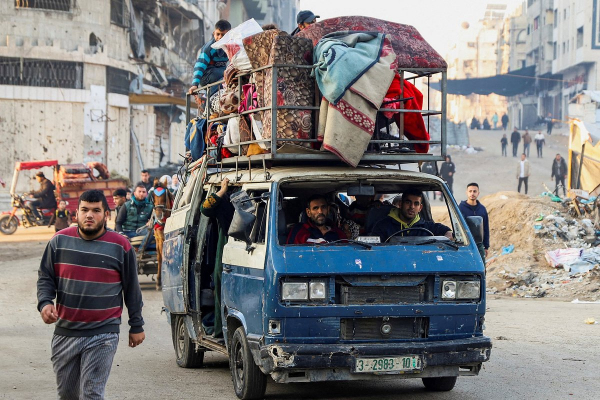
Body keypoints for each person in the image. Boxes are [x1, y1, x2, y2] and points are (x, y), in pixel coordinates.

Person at [37, 189, 145, 400]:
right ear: (75, 213)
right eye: (84, 210)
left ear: (106, 215)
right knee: (67, 395)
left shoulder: (120, 246)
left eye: (96, 210)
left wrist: (137, 325)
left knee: (92, 394)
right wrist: (45, 303)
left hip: (103, 332)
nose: (89, 215)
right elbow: (45, 277)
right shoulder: (58, 242)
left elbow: (132, 288)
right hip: (65, 332)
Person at [200, 177, 235, 338]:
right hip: (226, 249)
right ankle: (220, 330)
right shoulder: (224, 200)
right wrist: (222, 191)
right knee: (221, 291)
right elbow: (205, 209)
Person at [371, 189, 452, 242]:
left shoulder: (428, 227)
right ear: (400, 204)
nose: (412, 207)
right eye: (408, 202)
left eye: (416, 204)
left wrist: (448, 236)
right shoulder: (383, 226)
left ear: (420, 208)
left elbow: (450, 233)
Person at [188, 20, 231, 97]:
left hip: (219, 75)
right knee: (227, 75)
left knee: (230, 75)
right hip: (206, 76)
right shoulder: (209, 48)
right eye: (218, 34)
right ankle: (206, 98)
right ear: (213, 33)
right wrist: (195, 84)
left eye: (223, 35)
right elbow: (199, 66)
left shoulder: (230, 47)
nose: (220, 37)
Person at [458, 183, 489, 264]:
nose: (472, 193)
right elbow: (457, 226)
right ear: (466, 192)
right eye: (470, 191)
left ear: (478, 193)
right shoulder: (460, 208)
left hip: (479, 244)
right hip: (465, 244)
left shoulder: (482, 209)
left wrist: (486, 246)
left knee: (481, 266)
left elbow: (485, 228)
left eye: (474, 191)